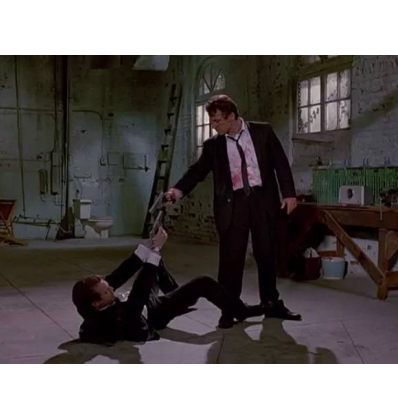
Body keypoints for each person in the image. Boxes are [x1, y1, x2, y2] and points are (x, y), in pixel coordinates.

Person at [164, 94, 302, 329]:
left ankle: (271, 304)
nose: (213, 125)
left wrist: (289, 194)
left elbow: (280, 163)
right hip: (233, 204)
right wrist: (176, 192)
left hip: (263, 201)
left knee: (267, 254)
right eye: (211, 121)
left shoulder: (263, 132)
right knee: (231, 260)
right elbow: (197, 171)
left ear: (232, 116)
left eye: (217, 120)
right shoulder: (213, 145)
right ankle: (229, 308)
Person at [71, 227, 263, 344]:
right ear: (96, 303)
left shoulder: (91, 299)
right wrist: (156, 250)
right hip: (154, 313)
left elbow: (118, 275)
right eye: (107, 292)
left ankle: (177, 295)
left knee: (155, 265)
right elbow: (139, 294)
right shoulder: (109, 319)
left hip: (142, 303)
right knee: (203, 281)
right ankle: (241, 311)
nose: (111, 289)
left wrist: (146, 247)